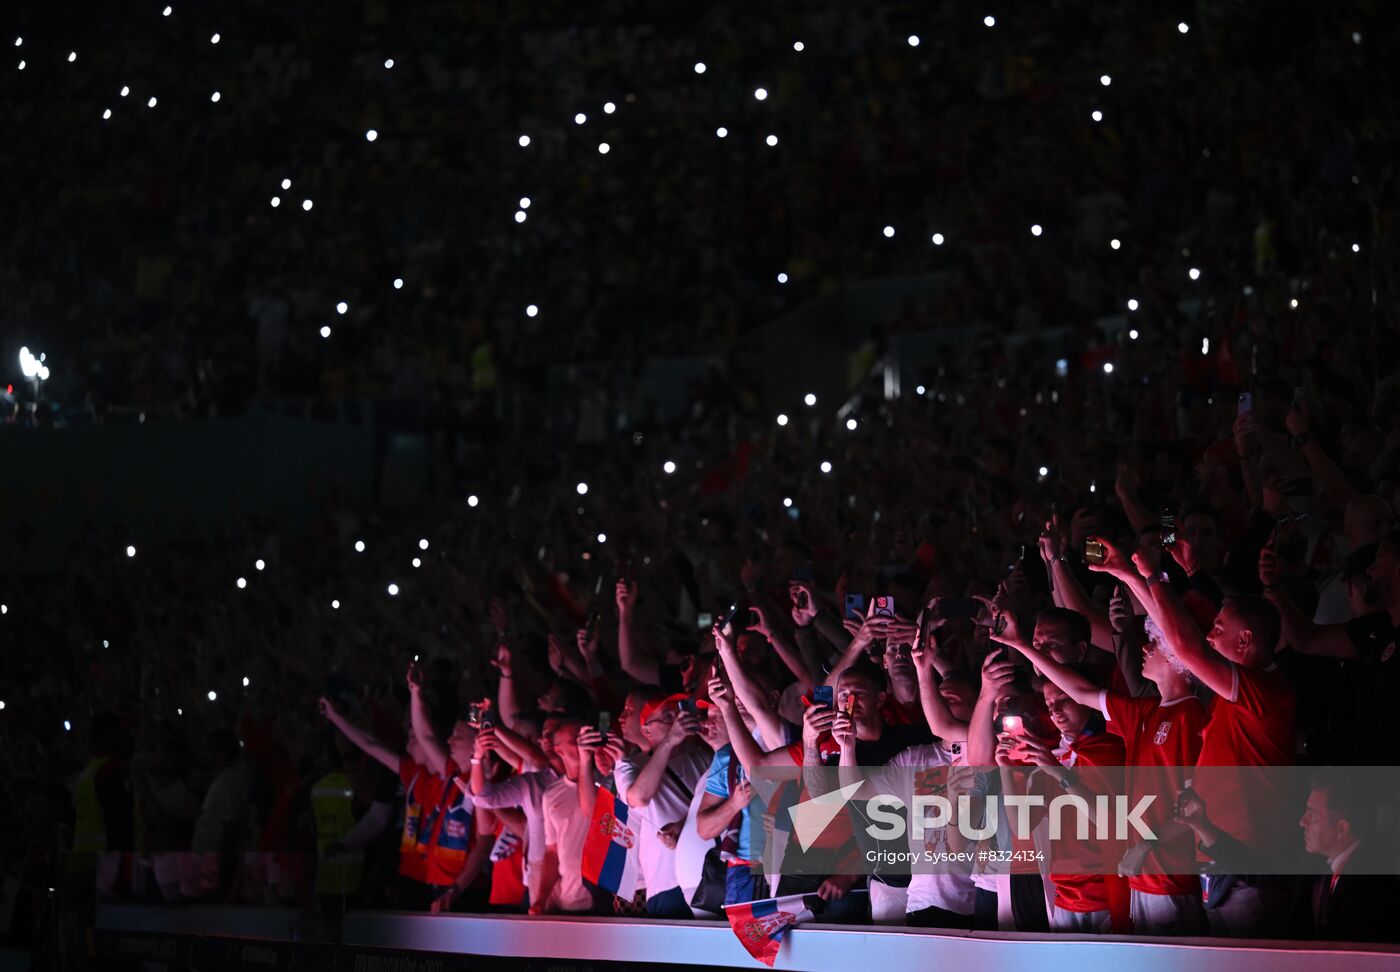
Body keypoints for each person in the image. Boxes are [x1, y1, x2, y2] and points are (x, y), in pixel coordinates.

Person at [1101, 538, 1296, 936]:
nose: (1209, 637)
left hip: (1249, 865)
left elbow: (1186, 648)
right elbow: (1181, 643)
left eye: (1218, 630)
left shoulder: (1264, 693)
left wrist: (1153, 576)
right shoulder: (1232, 697)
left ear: (1244, 641)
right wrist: (1128, 575)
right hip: (1221, 860)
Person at [1014, 540, 1209, 934]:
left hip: (1171, 878)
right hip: (1140, 877)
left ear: (1176, 656)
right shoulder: (1144, 711)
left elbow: (1195, 804)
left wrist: (1132, 575)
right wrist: (1020, 646)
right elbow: (1082, 692)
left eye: (1152, 642)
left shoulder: (1191, 714)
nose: (1144, 648)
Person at [613, 691, 712, 918]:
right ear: (646, 730)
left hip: (706, 873)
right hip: (666, 883)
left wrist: (682, 827)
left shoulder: (703, 757)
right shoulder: (630, 765)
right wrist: (669, 741)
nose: (677, 720)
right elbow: (639, 797)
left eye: (677, 713)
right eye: (668, 717)